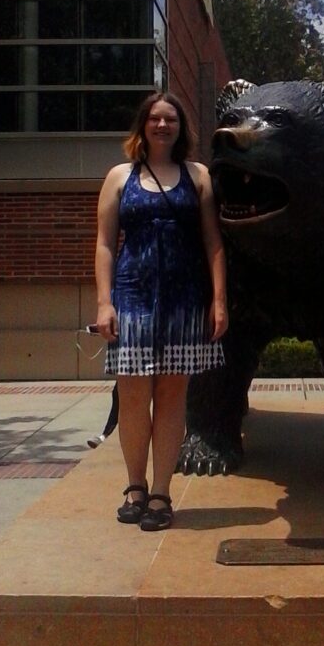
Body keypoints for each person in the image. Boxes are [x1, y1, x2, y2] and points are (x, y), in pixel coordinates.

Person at [95, 92, 228, 531]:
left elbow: (213, 242)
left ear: (181, 128)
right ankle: (135, 486)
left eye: (170, 119)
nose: (162, 125)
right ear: (143, 125)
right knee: (133, 399)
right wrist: (104, 301)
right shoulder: (119, 177)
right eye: (155, 118)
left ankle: (161, 492)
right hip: (132, 298)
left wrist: (219, 300)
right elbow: (104, 244)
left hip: (184, 300)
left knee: (172, 400)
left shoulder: (199, 176)